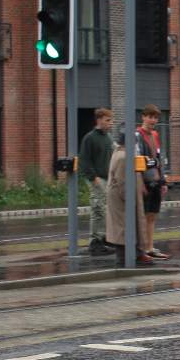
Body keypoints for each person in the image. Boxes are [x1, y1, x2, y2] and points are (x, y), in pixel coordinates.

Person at [107, 135, 152, 264]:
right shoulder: (124, 157)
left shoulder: (118, 153)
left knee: (124, 226)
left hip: (119, 197)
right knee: (124, 227)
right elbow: (122, 181)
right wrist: (130, 198)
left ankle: (135, 254)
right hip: (122, 198)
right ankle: (126, 257)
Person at [135, 105, 170, 259]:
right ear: (143, 117)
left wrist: (163, 181)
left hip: (156, 181)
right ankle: (141, 248)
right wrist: (140, 183)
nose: (153, 120)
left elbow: (158, 159)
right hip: (144, 182)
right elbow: (137, 162)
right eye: (150, 117)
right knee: (142, 217)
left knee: (152, 215)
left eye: (155, 118)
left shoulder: (155, 135)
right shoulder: (137, 135)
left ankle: (149, 247)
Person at [78, 108, 114, 255]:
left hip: (108, 179)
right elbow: (84, 160)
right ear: (99, 120)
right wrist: (94, 178)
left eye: (111, 120)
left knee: (105, 210)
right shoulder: (90, 138)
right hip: (97, 179)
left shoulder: (108, 138)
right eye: (107, 120)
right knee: (98, 209)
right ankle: (95, 242)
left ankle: (103, 238)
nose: (110, 123)